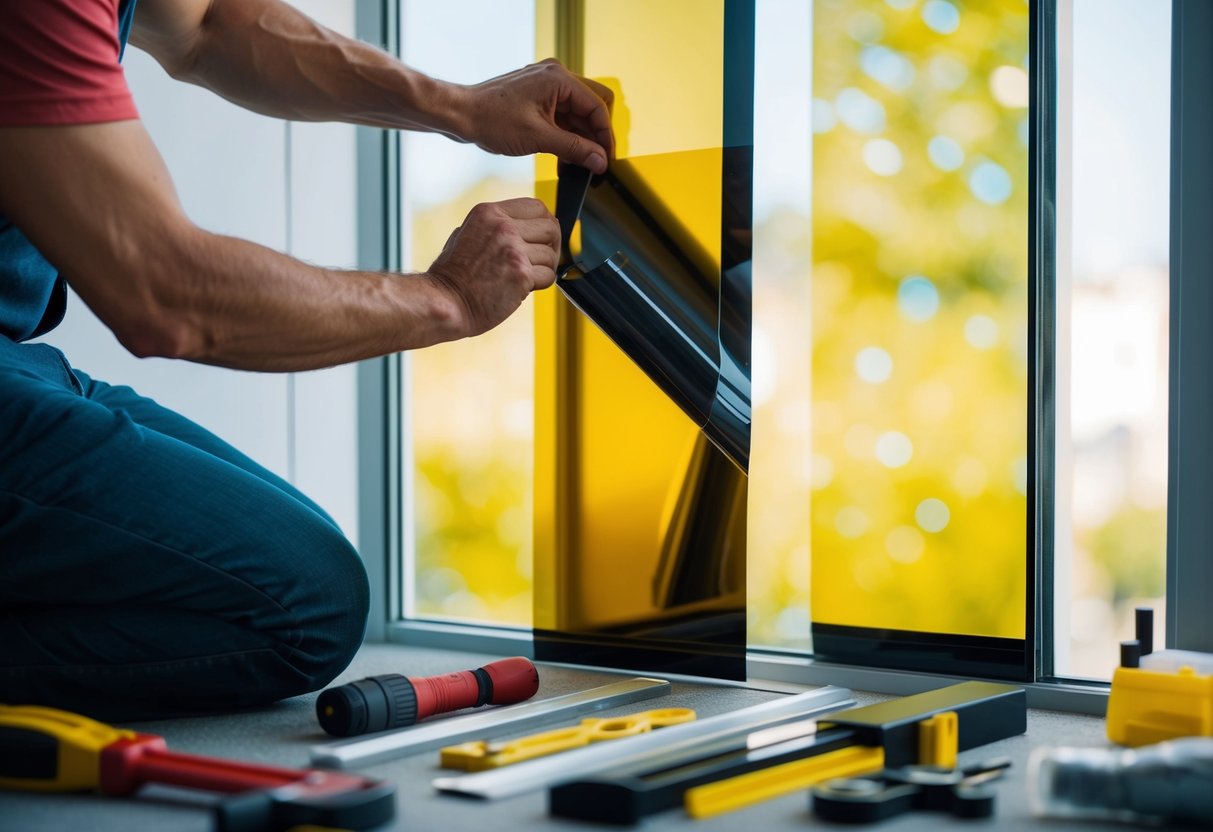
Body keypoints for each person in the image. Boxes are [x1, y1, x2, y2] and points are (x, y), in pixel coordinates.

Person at [0, 0, 613, 721]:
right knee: (303, 608)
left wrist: (463, 108)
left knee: (305, 581)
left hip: (20, 359)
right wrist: (448, 297)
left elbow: (208, 26)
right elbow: (166, 294)